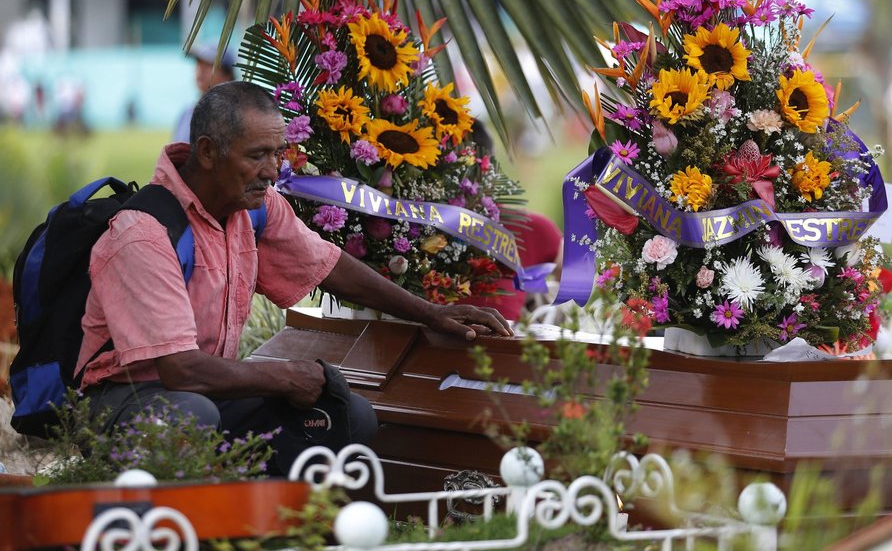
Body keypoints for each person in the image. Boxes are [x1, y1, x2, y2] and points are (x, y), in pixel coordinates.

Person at [77, 81, 512, 475]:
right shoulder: (143, 233)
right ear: (207, 153)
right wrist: (285, 376)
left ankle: (272, 519)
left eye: (277, 154)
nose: (271, 171)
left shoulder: (255, 207)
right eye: (256, 156)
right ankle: (187, 521)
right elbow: (180, 371)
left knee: (348, 416)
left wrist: (431, 313)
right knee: (190, 417)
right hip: (128, 401)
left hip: (206, 391)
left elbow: (330, 266)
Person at [457, 120, 563, 321]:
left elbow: (573, 275)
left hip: (501, 350)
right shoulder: (409, 228)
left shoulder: (531, 228)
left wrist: (541, 303)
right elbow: (576, 275)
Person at [172, 43, 237, 143]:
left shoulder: (237, 114)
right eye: (198, 63)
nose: (200, 70)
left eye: (208, 65)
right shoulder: (187, 113)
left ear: (227, 73)